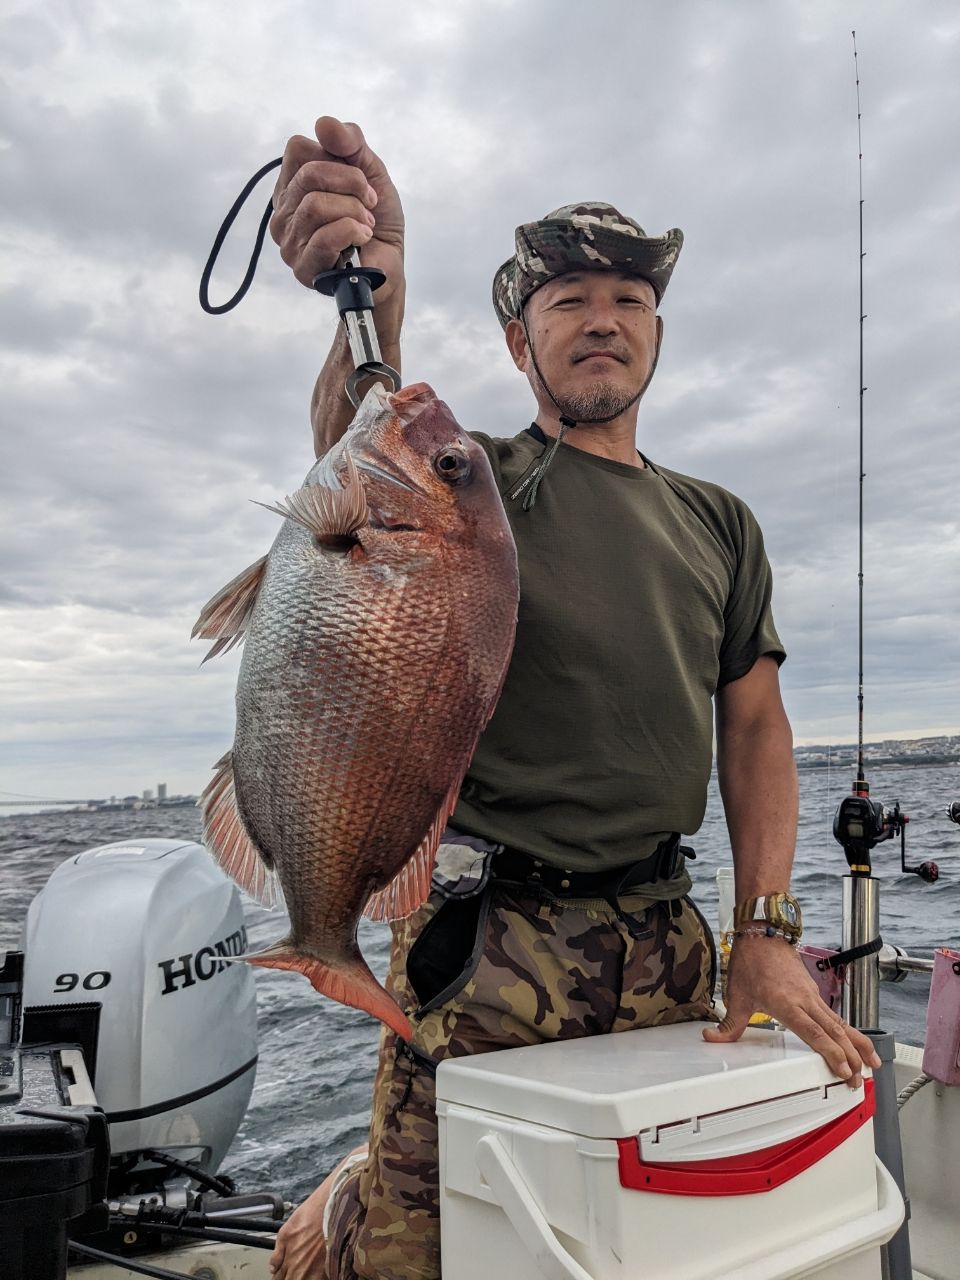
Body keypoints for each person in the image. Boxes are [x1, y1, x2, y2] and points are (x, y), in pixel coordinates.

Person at [267, 117, 881, 1280]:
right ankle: (343, 1216)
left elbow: (753, 729)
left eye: (628, 299)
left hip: (668, 939)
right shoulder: (470, 485)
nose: (603, 318)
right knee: (431, 1246)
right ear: (518, 339)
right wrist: (377, 298)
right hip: (491, 934)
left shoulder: (720, 521)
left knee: (651, 1246)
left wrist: (767, 933)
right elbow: (356, 464)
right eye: (568, 300)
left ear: (657, 333)